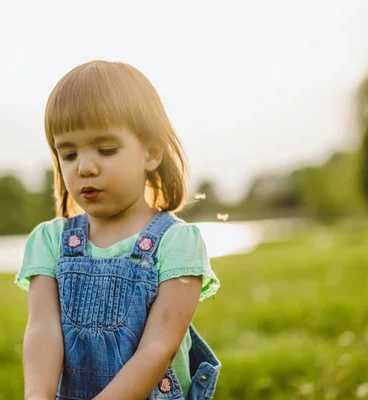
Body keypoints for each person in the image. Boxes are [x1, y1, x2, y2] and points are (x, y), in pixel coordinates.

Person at [14, 60, 221, 400]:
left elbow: (159, 347)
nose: (85, 167)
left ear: (151, 152)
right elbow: (42, 328)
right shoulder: (49, 241)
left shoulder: (177, 242)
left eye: (106, 149)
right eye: (68, 153)